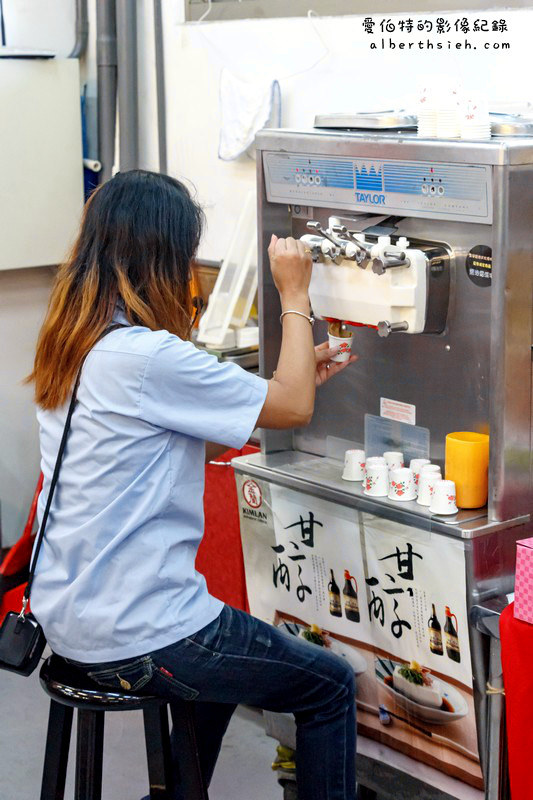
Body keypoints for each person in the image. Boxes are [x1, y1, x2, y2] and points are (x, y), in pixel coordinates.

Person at [29, 170, 358, 800]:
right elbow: (292, 409)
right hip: (138, 630)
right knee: (329, 686)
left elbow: (165, 444)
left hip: (70, 618)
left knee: (225, 668)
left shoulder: (74, 344)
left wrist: (287, 383)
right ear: (164, 258)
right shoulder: (149, 356)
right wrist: (295, 294)